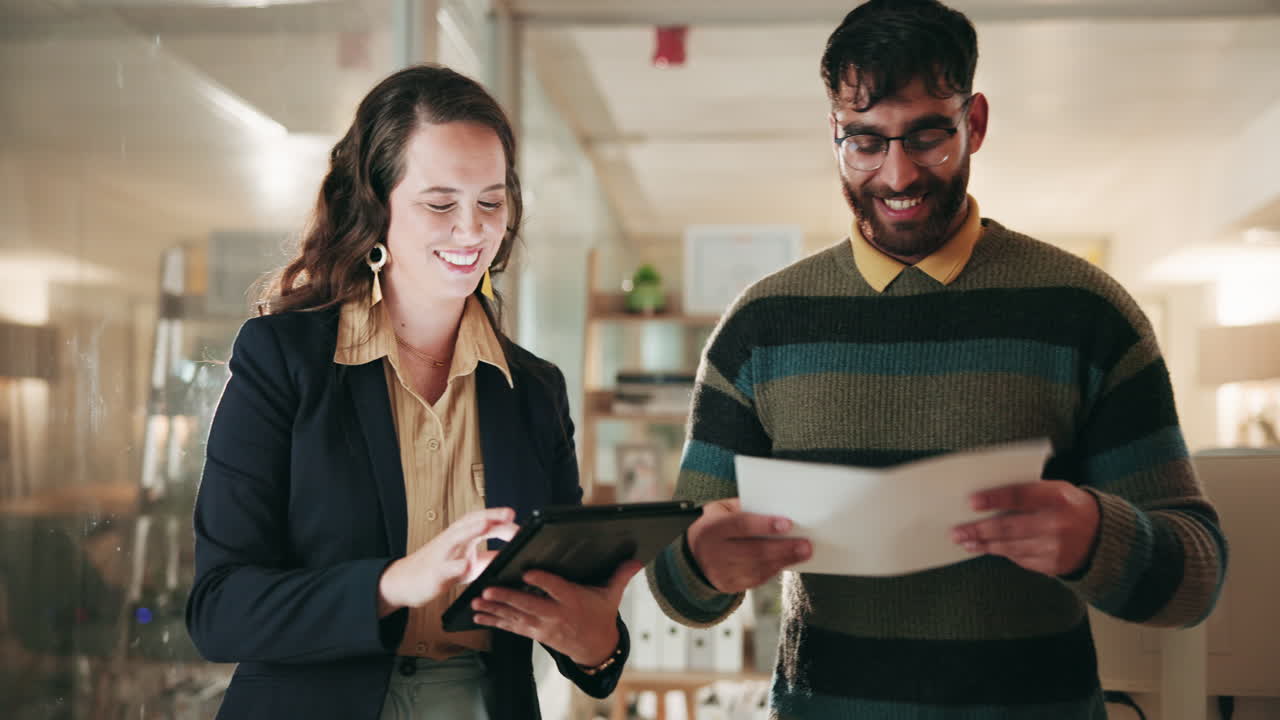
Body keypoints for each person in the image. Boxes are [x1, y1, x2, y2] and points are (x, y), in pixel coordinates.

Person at [647, 1, 1227, 718]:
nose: (896, 175)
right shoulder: (760, 328)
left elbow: (1198, 581)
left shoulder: (1087, 312)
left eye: (927, 137)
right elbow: (673, 584)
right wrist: (701, 566)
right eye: (864, 142)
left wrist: (1095, 537)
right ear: (834, 133)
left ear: (974, 122)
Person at [186, 65, 640, 720]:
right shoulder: (282, 361)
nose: (472, 229)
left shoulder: (535, 390)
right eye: (439, 203)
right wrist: (393, 583)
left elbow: (574, 628)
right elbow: (218, 611)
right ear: (375, 205)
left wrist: (598, 643)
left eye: (490, 201)